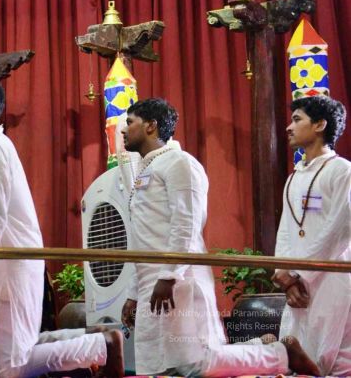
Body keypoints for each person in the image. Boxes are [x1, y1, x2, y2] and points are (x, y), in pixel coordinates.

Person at [119, 97, 319, 376]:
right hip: (150, 282)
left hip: (179, 279)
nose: (123, 129)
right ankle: (261, 346)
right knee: (161, 364)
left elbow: (186, 223)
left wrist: (169, 275)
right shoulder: (148, 168)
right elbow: (141, 239)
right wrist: (132, 293)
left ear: (151, 126)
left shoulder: (180, 162)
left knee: (193, 363)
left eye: (130, 122)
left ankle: (280, 354)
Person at [0, 74, 124, 378]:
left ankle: (102, 345)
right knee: (9, 355)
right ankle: (92, 340)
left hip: (7, 266)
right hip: (6, 263)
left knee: (6, 368)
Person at [272, 95, 351, 376]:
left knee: (333, 354)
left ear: (319, 125)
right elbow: (285, 229)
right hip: (298, 282)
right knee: (296, 349)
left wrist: (299, 273)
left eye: (297, 120)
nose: (288, 127)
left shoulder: (341, 170)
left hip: (331, 277)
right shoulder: (294, 176)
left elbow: (340, 230)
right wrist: (284, 274)